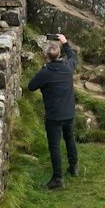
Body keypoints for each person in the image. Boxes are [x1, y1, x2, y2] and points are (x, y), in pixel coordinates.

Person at [25, 32, 79, 190]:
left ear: (45, 56)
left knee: (54, 146)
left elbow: (31, 86)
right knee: (70, 139)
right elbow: (73, 58)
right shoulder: (67, 68)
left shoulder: (45, 73)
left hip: (54, 116)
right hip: (69, 112)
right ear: (59, 54)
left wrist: (44, 69)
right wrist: (65, 42)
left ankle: (57, 178)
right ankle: (74, 167)